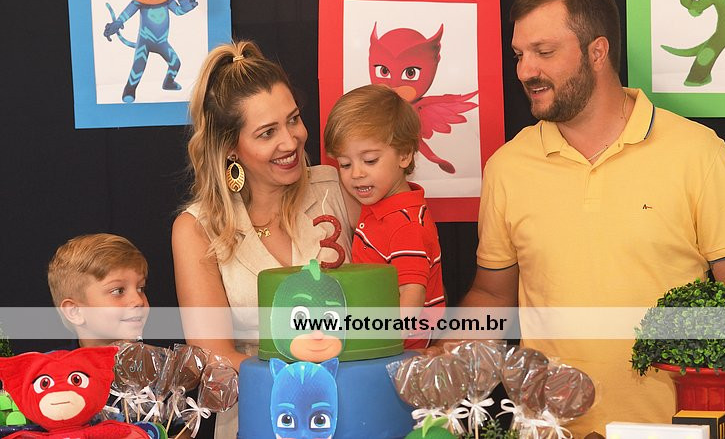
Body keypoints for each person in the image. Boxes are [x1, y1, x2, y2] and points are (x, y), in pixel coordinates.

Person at [460, 0, 725, 434]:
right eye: (519, 54)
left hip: (672, 429)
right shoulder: (507, 166)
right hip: (550, 429)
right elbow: (491, 296)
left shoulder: (698, 152)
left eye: (544, 52)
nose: (525, 71)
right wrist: (444, 352)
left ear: (597, 52)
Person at [172, 40, 358, 439]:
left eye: (293, 120)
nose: (290, 141)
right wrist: (302, 381)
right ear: (230, 148)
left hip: (355, 412)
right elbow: (212, 355)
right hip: (260, 420)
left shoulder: (339, 187)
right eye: (267, 133)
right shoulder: (197, 228)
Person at [323, 84, 445, 348]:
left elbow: (411, 296)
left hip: (396, 353)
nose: (356, 174)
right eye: (345, 164)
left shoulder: (405, 225)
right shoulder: (381, 207)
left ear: (405, 155)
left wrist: (376, 342)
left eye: (369, 160)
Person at [48, 233, 149, 348]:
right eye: (118, 291)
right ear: (75, 311)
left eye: (140, 288)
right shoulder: (53, 360)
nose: (138, 301)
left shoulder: (159, 358)